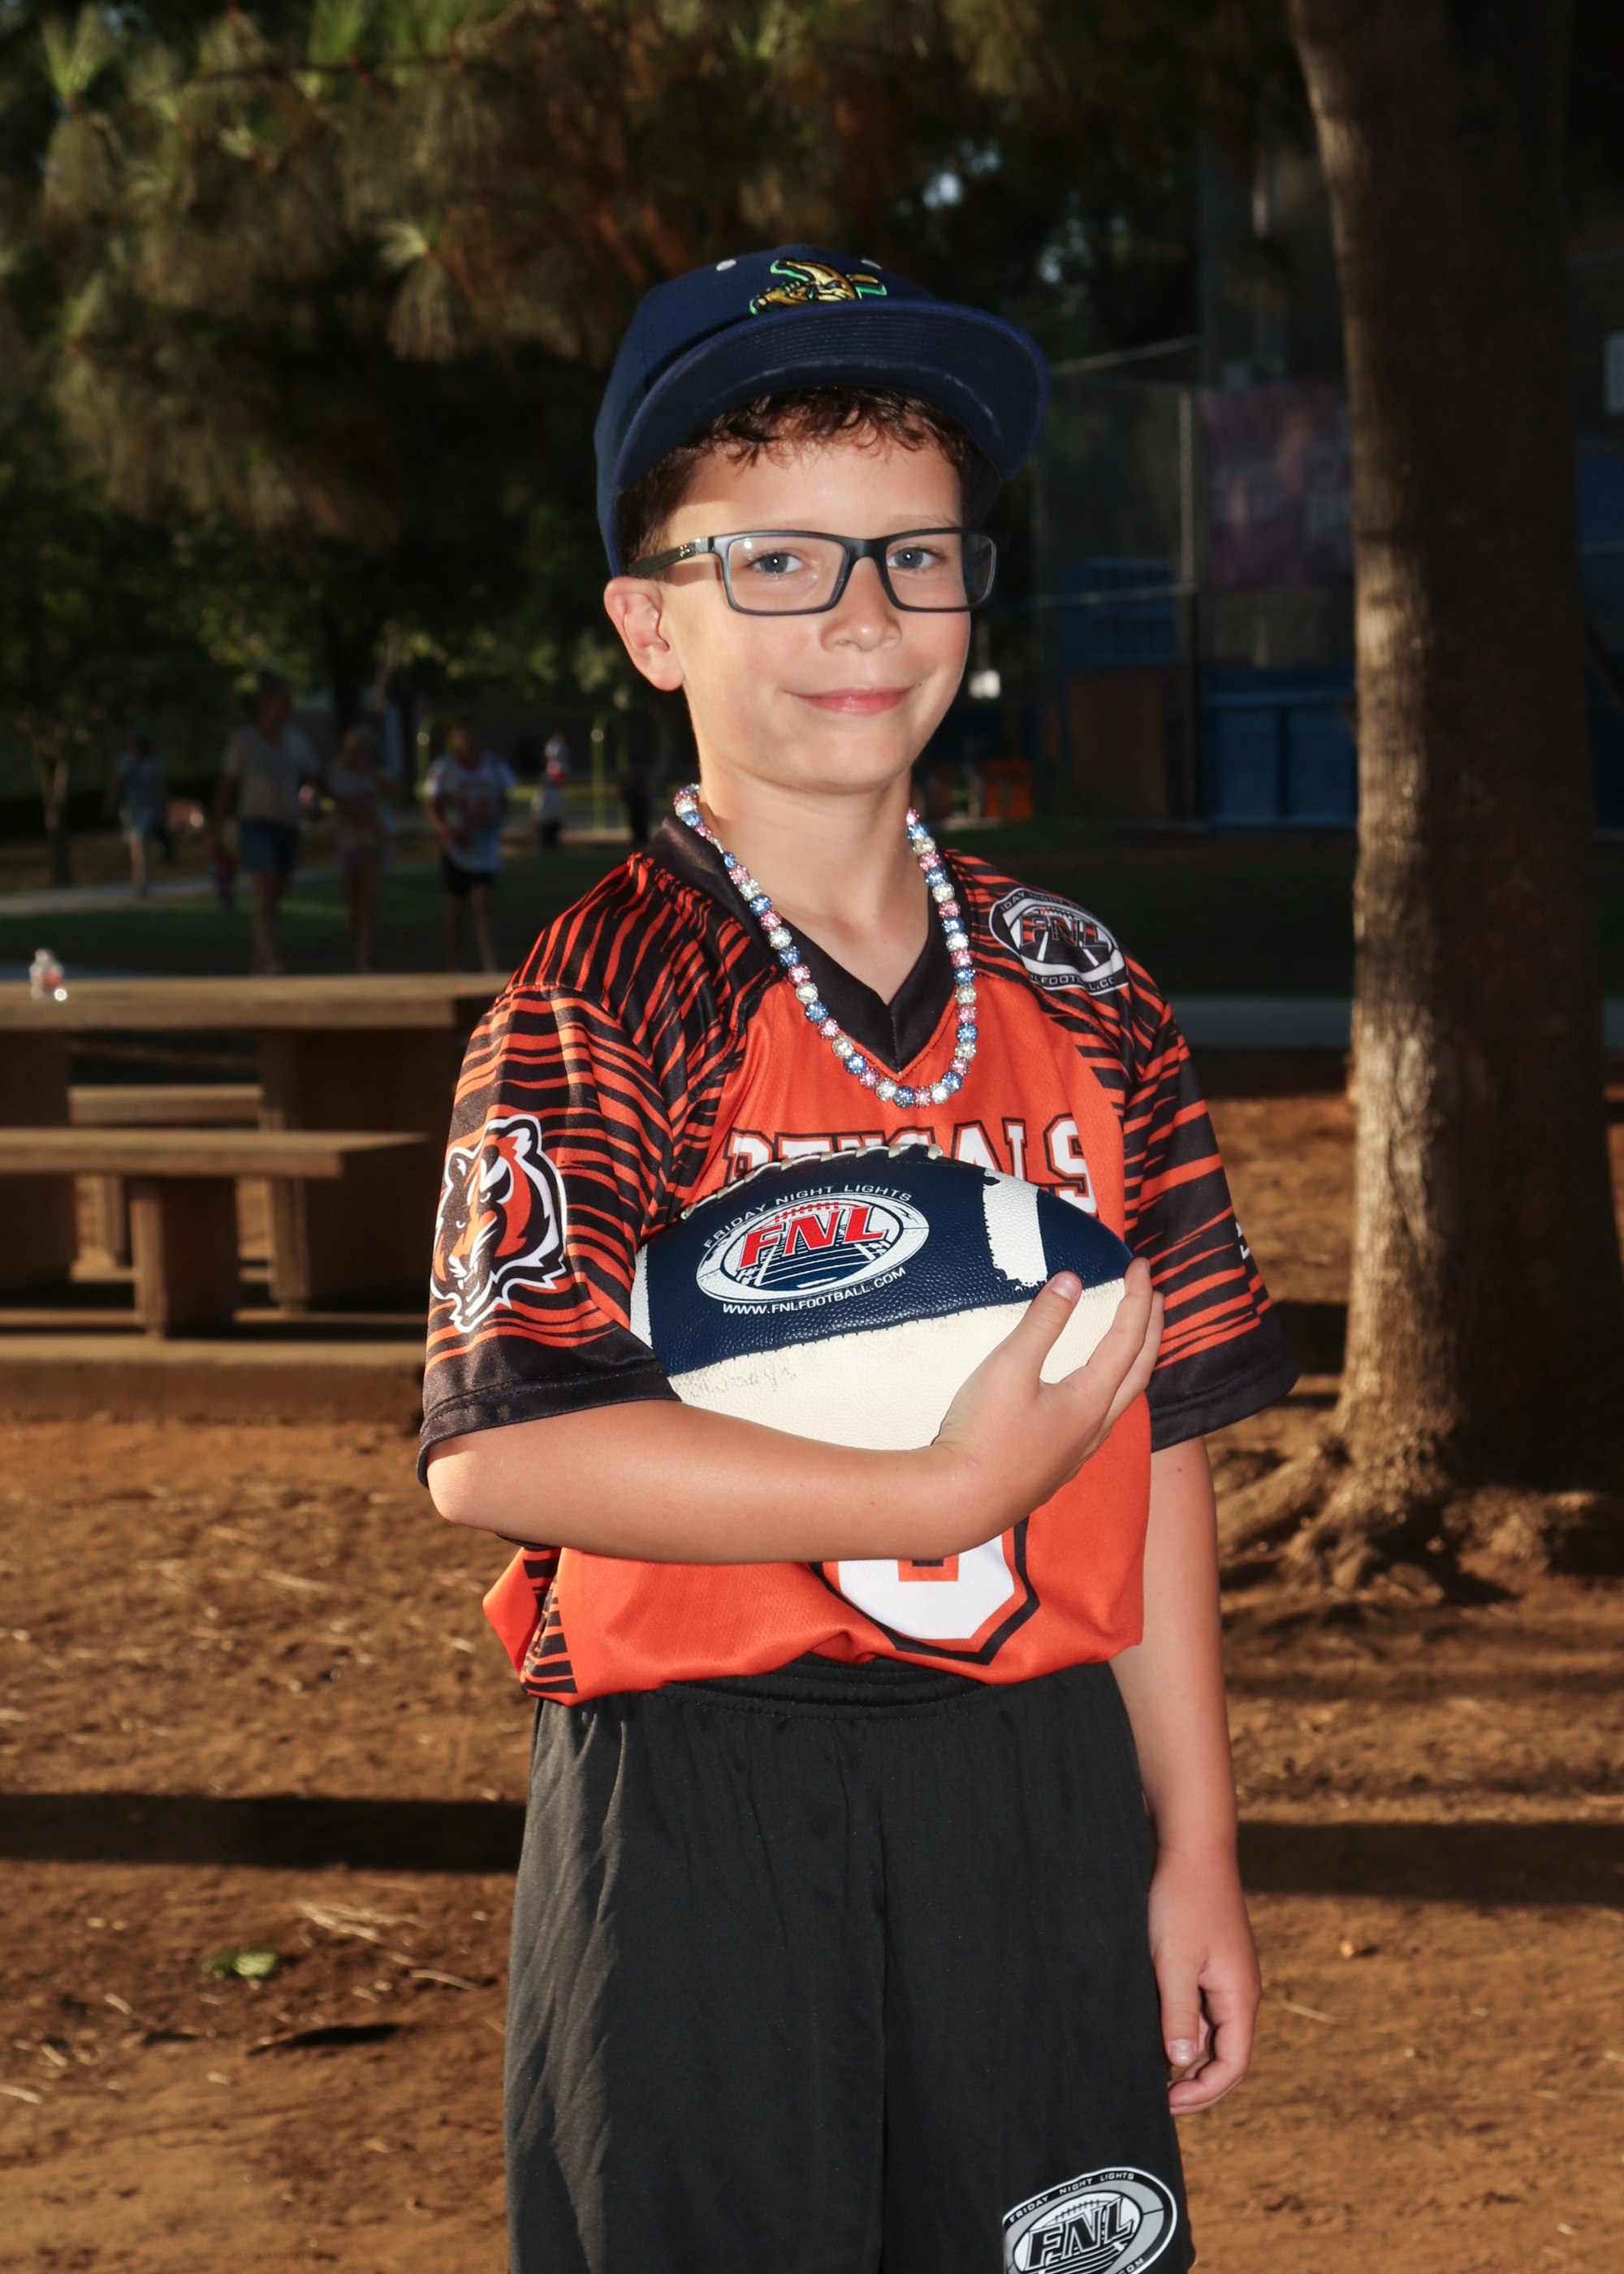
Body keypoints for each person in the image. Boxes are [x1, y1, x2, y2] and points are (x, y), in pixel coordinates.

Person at [421, 245, 1298, 2274]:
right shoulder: (598, 996)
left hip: (1036, 1783)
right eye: (777, 562)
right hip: (699, 1807)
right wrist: (932, 1492)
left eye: (913, 558)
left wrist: (1192, 1837)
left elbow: (1158, 1431)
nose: (860, 615)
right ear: (650, 620)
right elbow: (502, 1448)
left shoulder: (1084, 987)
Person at [211, 669, 320, 974]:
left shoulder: (296, 742)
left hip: (288, 826)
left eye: (290, 699)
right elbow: (227, 786)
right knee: (265, 889)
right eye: (282, 699)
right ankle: (272, 961)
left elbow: (313, 779)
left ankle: (258, 966)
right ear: (265, 701)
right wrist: (215, 826)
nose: (288, 705)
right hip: (256, 825)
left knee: (274, 896)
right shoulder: (244, 740)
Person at [424, 715, 515, 971]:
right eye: (462, 734)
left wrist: (492, 829)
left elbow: (504, 802)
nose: (468, 740)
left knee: (485, 901)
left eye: (472, 733)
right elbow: (432, 806)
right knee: (457, 904)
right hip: (456, 848)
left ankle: (490, 963)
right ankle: (455, 964)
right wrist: (448, 832)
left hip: (484, 845)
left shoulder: (494, 765)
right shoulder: (444, 768)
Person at [326, 722, 395, 971]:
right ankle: (358, 951)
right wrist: (372, 825)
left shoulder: (375, 772)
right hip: (349, 842)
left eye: (363, 748)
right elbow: (346, 805)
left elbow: (397, 791)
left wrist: (371, 773)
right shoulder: (338, 773)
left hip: (373, 844)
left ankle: (364, 960)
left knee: (368, 903)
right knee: (352, 904)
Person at [103, 729, 167, 897]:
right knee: (136, 846)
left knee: (141, 843)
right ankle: (141, 881)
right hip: (131, 809)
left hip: (148, 807)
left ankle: (142, 882)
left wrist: (163, 807)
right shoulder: (125, 761)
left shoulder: (150, 763)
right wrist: (110, 803)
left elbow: (159, 786)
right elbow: (116, 783)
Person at [534, 732, 569, 850]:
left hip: (548, 820)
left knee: (547, 830)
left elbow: (538, 807)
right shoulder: (556, 792)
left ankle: (548, 844)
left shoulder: (545, 793)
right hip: (553, 820)